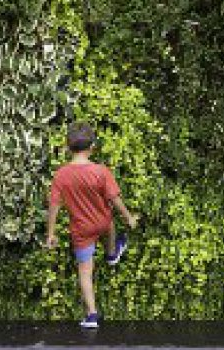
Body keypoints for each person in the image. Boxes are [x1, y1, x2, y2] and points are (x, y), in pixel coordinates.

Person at [45, 122, 139, 329]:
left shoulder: (61, 175)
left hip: (82, 230)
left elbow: (54, 205)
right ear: (92, 147)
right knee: (110, 225)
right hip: (103, 223)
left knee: (85, 272)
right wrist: (129, 217)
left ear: (68, 147)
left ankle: (92, 315)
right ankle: (112, 253)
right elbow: (114, 199)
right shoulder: (101, 171)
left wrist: (50, 234)